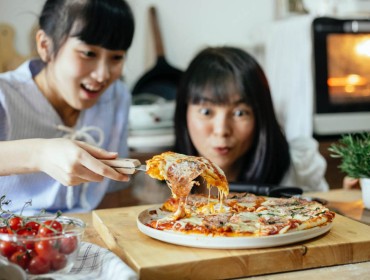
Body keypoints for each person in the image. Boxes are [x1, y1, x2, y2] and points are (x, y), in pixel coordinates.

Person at [0, 0, 135, 213]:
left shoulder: (117, 96)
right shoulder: (4, 95)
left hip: (87, 239)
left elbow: (112, 191)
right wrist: (40, 154)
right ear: (45, 45)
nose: (103, 75)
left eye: (116, 57)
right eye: (88, 54)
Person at [174, 46, 329, 193]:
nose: (222, 130)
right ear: (184, 113)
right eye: (206, 111)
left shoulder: (298, 170)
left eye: (240, 113)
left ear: (261, 116)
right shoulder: (159, 179)